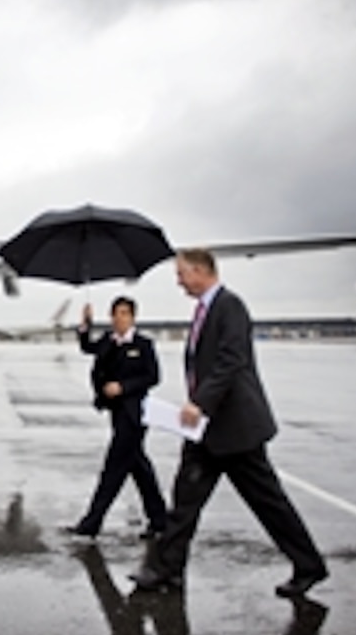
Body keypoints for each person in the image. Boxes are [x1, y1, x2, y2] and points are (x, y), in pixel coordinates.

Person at [129, 248, 329, 598]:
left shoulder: (229, 305)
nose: (178, 282)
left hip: (235, 428)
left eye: (181, 274)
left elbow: (231, 361)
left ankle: (309, 565)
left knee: (269, 503)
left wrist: (201, 402)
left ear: (200, 271)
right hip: (205, 430)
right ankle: (167, 570)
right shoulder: (204, 310)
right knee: (184, 503)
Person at [64, 296, 168, 540]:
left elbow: (152, 377)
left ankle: (91, 523)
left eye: (124, 314)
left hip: (134, 416)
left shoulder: (143, 345)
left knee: (113, 470)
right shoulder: (109, 341)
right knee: (139, 469)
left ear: (132, 317)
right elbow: (87, 348)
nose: (119, 318)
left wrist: (123, 386)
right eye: (115, 314)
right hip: (116, 412)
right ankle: (160, 521)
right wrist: (85, 325)